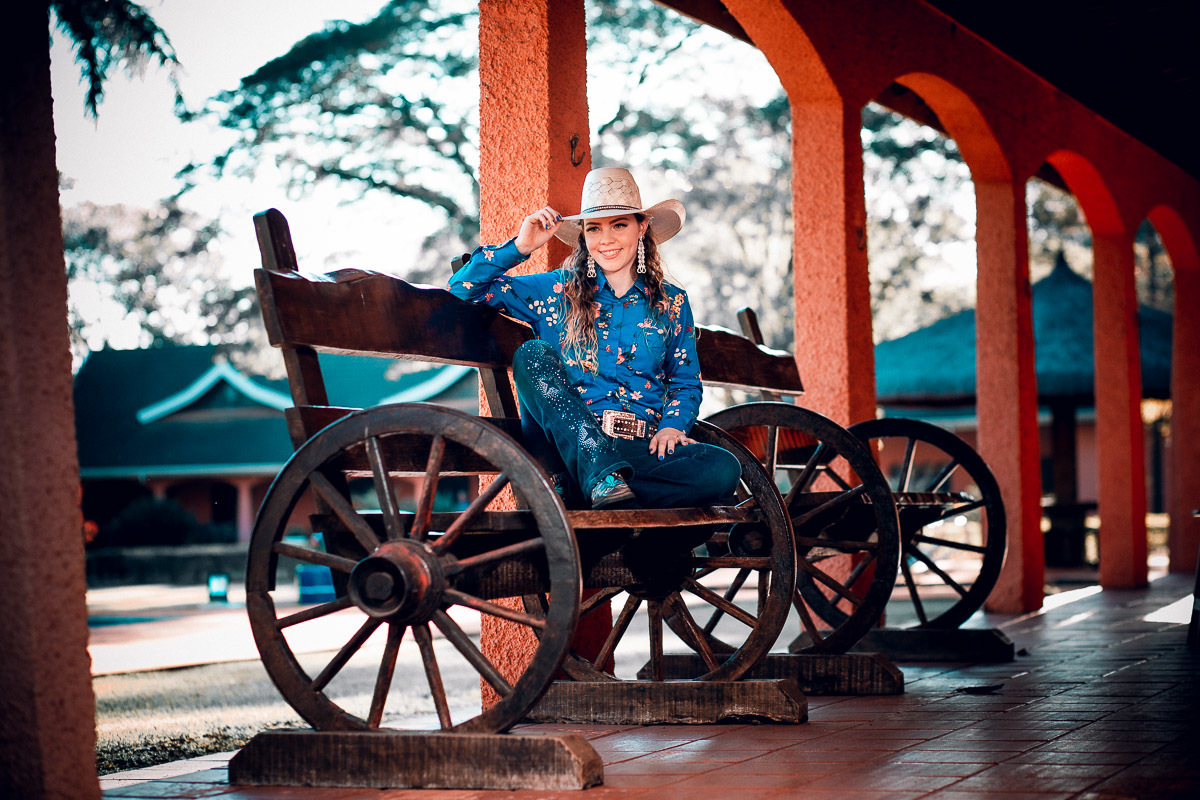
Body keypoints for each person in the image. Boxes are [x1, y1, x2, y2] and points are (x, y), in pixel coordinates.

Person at [448, 167, 741, 510]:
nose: (606, 240)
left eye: (619, 225)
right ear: (583, 235)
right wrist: (522, 245)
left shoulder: (671, 302)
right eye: (594, 228)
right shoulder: (555, 290)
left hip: (638, 450)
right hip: (568, 451)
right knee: (532, 354)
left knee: (722, 469)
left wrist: (673, 427)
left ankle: (614, 501)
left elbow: (685, 381)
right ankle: (600, 481)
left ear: (641, 226)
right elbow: (463, 290)